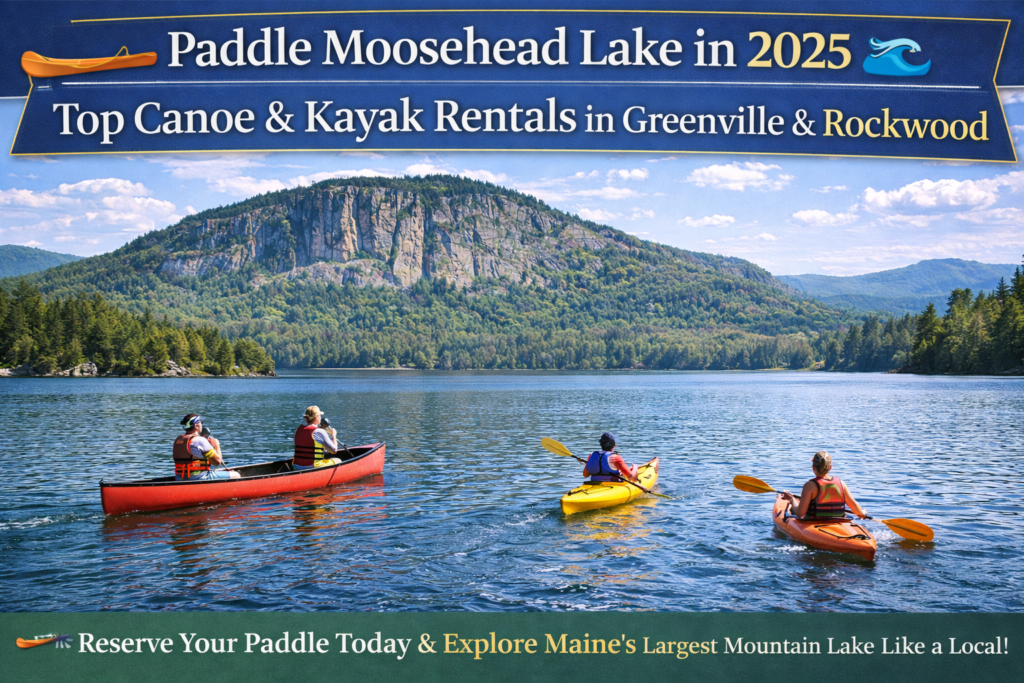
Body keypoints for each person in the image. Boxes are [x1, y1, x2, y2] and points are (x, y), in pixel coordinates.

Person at [781, 450, 867, 520]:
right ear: (830, 467)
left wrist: (791, 500)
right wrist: (862, 513)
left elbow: (800, 513)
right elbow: (855, 507)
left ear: (813, 467)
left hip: (814, 523)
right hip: (839, 522)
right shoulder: (841, 483)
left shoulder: (809, 486)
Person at [172, 414, 240, 480]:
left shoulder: (178, 440)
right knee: (236, 475)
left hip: (180, 478)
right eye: (201, 422)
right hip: (199, 477)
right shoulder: (200, 440)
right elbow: (217, 462)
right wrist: (216, 445)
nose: (202, 424)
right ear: (196, 425)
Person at [293, 405, 343, 470]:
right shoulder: (319, 431)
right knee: (338, 460)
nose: (320, 417)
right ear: (316, 417)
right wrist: (334, 435)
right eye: (320, 416)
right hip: (312, 466)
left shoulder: (298, 429)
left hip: (296, 466)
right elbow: (334, 450)